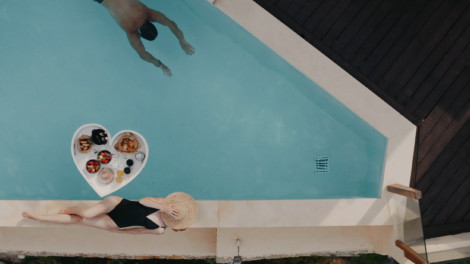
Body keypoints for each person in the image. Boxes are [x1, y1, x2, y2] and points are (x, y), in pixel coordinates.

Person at [96, 0, 195, 77]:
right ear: (141, 34)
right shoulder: (131, 31)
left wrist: (182, 41)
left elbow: (171, 24)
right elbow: (143, 54)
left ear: (151, 22)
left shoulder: (147, 13)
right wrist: (160, 64)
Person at [22, 192, 198, 235]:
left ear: (175, 225)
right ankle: (75, 208)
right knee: (87, 214)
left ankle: (37, 216)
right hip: (117, 204)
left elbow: (136, 231)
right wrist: (164, 207)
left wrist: (116, 231)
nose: (173, 213)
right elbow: (144, 200)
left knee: (80, 220)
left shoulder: (160, 230)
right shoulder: (162, 202)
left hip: (114, 223)